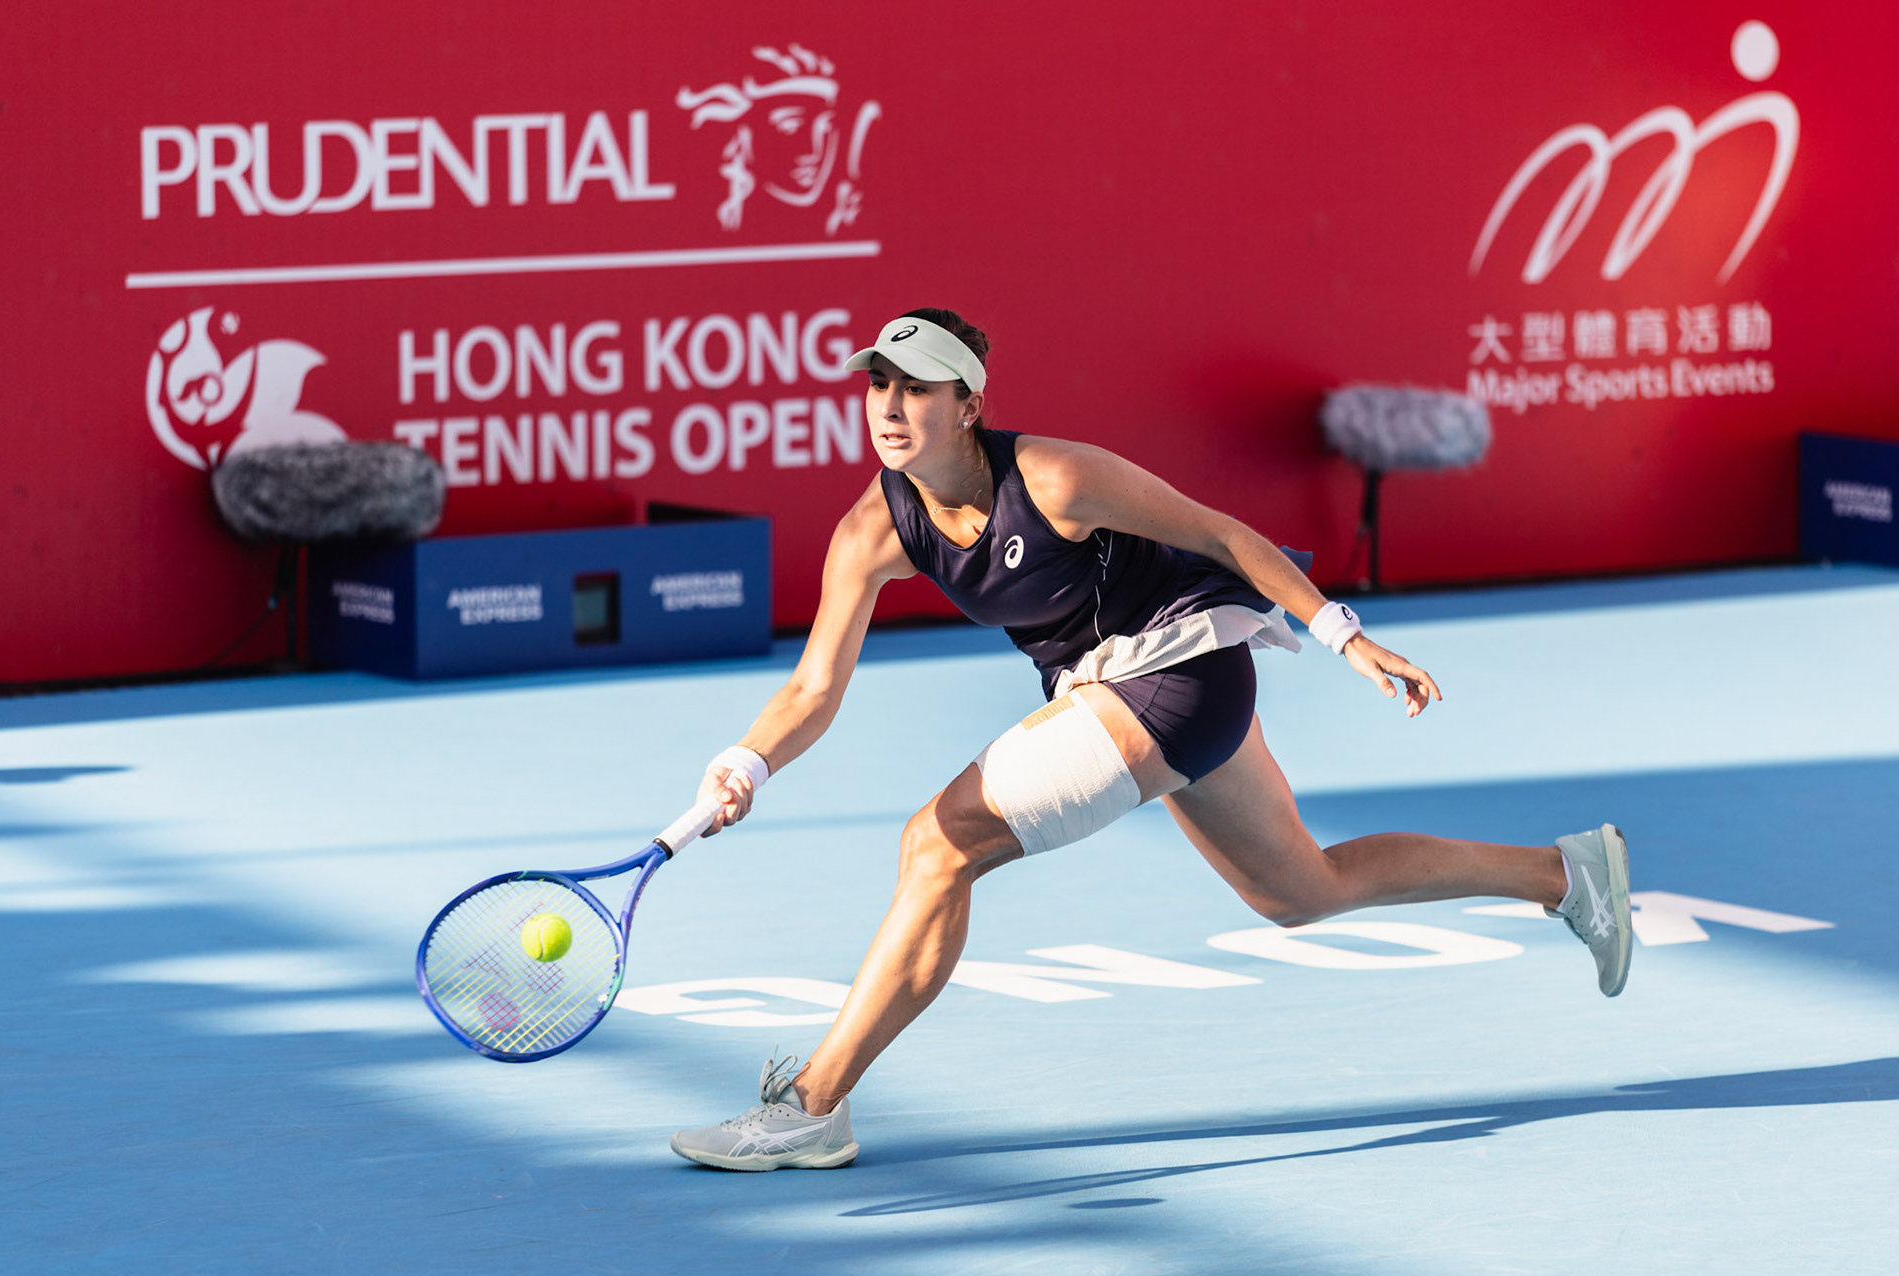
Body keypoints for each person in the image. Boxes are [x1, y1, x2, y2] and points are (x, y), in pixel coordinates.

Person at [668, 309, 1631, 1172]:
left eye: (917, 386)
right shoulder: (875, 526)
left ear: (968, 403)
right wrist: (746, 761)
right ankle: (1566, 875)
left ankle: (813, 1107)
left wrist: (1345, 636)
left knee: (938, 844)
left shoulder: (1054, 477)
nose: (890, 403)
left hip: (1182, 669)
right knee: (1300, 891)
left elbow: (1222, 536)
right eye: (879, 383)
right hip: (1114, 692)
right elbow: (813, 685)